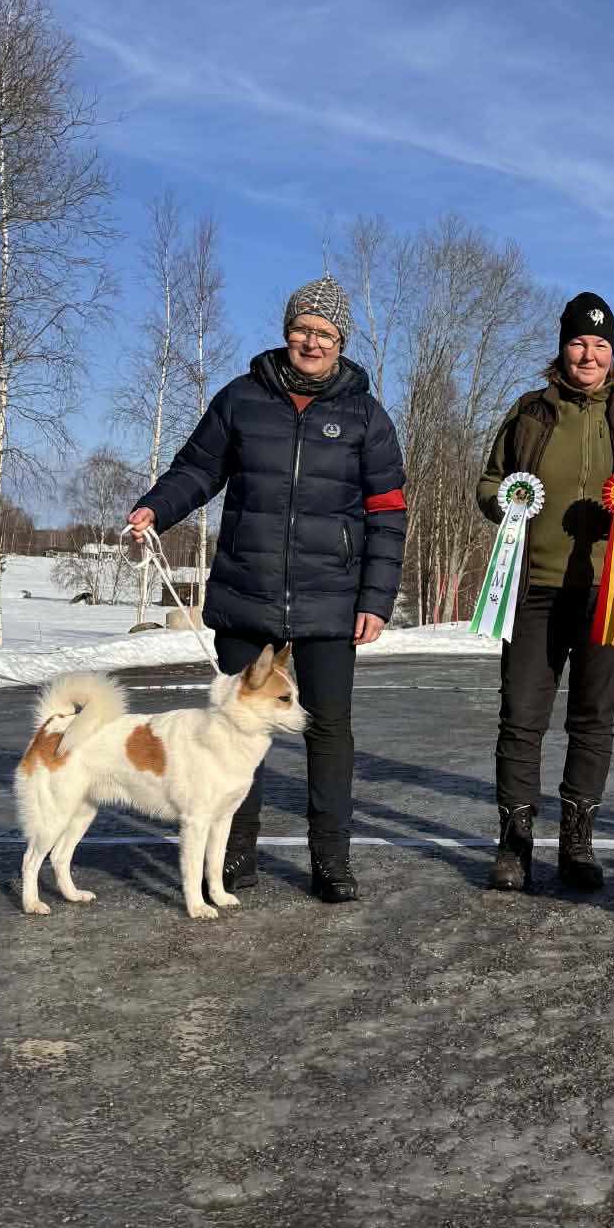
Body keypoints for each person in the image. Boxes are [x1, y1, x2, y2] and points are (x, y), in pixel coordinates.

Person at [127, 277, 406, 904]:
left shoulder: (365, 414)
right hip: (247, 593)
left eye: (325, 334)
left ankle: (331, 860)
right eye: (302, 329)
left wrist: (375, 598)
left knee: (327, 728)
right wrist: (155, 510)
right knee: (233, 728)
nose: (312, 342)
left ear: (341, 343)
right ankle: (234, 859)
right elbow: (197, 469)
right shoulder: (242, 398)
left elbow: (388, 511)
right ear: (287, 332)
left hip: (332, 601)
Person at [476, 292, 614, 892]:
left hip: (611, 592)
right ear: (561, 347)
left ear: (612, 353)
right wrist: (502, 500)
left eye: (599, 345)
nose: (587, 354)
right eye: (577, 342)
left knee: (593, 720)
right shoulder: (529, 412)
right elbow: (490, 481)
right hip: (535, 589)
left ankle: (577, 841)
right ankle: (514, 843)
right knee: (520, 717)